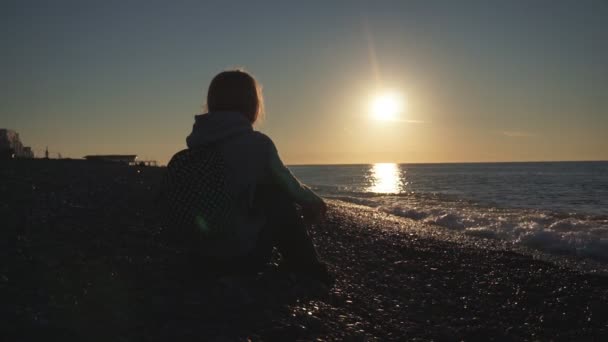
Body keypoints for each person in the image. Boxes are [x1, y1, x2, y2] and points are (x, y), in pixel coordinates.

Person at [184, 69, 331, 284]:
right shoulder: (258, 145)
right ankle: (307, 265)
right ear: (253, 105)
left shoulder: (195, 145)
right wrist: (314, 202)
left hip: (198, 253)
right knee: (276, 194)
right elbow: (288, 183)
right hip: (242, 256)